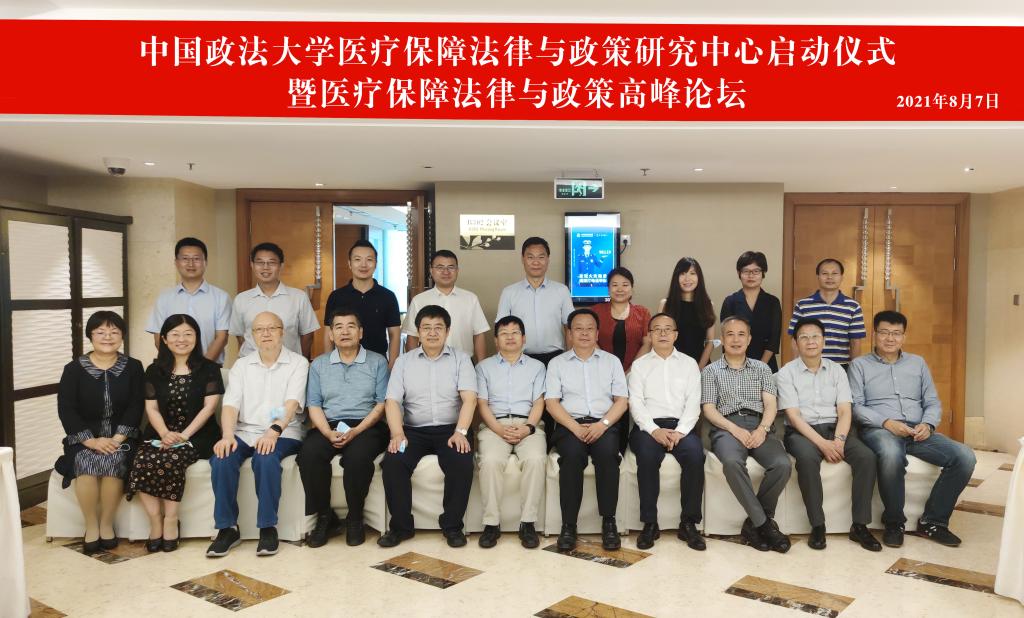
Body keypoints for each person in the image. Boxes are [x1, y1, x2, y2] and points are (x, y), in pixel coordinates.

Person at [851, 310, 977, 548]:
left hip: (917, 430)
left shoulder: (917, 363)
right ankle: (894, 523)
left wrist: (928, 424)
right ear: (874, 334)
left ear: (904, 337)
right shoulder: (859, 365)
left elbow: (932, 401)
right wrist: (887, 422)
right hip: (880, 429)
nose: (890, 338)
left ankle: (933, 522)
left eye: (896, 333)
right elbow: (856, 406)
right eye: (884, 332)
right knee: (891, 454)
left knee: (965, 457)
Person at [207, 311, 308, 558]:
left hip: (285, 432)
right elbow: (230, 405)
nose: (265, 333)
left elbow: (291, 404)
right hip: (245, 431)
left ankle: (267, 527)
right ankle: (227, 529)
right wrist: (227, 435)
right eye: (259, 329)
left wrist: (273, 432)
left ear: (282, 332)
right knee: (221, 458)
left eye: (272, 328)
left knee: (266, 457)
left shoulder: (298, 363)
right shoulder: (242, 366)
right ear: (251, 335)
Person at [776, 317, 881, 552]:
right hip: (802, 432)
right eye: (804, 337)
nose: (810, 341)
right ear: (795, 343)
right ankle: (818, 525)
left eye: (815, 336)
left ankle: (860, 525)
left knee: (866, 457)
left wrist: (839, 441)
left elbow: (845, 411)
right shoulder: (786, 373)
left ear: (823, 341)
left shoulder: (837, 370)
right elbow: (793, 416)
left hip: (836, 429)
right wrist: (824, 445)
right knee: (806, 459)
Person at [378, 305, 477, 548]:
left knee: (461, 461)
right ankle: (400, 527)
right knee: (393, 461)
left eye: (438, 328)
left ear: (448, 331)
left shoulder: (461, 359)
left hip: (451, 430)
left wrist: (461, 432)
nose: (432, 333)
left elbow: (470, 399)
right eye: (426, 328)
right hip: (413, 432)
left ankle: (452, 527)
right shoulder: (403, 362)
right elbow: (392, 401)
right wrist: (397, 433)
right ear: (418, 332)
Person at [128, 314, 224, 553]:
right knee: (143, 459)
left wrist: (183, 436)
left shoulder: (210, 369)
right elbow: (151, 408)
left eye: (188, 334)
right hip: (160, 433)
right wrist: (164, 433)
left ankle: (171, 520)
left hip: (199, 435)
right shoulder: (154, 370)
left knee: (172, 458)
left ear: (197, 338)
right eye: (175, 334)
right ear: (164, 339)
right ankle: (155, 521)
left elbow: (209, 408)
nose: (182, 339)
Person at [297, 306, 389, 548]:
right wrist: (327, 433)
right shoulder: (319, 365)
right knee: (309, 454)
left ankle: (355, 518)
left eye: (351, 326)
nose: (344, 332)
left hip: (367, 425)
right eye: (338, 327)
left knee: (358, 457)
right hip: (329, 425)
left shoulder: (378, 362)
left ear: (361, 332)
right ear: (330, 334)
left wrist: (356, 431)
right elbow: (314, 405)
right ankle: (325, 517)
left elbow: (381, 404)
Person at [55, 310, 144, 554]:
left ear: (122, 336)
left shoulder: (134, 367)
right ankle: (91, 525)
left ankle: (106, 524)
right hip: (84, 438)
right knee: (85, 461)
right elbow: (66, 409)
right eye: (101, 332)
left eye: (114, 332)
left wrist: (116, 439)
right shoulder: (73, 369)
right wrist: (91, 441)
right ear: (90, 335)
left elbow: (136, 405)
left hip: (122, 437)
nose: (107, 337)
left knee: (114, 459)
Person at [701, 315, 791, 553]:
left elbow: (770, 404)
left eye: (741, 334)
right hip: (726, 426)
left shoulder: (762, 369)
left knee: (782, 464)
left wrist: (762, 429)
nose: (736, 339)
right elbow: (709, 409)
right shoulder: (710, 371)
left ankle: (754, 524)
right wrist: (734, 429)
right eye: (730, 334)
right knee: (732, 462)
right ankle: (765, 525)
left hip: (760, 424)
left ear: (749, 339)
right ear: (722, 339)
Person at [545, 308, 628, 551]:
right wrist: (575, 428)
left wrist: (602, 425)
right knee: (572, 457)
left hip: (604, 424)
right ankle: (568, 525)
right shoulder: (557, 364)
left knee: (607, 455)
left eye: (589, 328)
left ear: (597, 333)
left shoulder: (611, 362)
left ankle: (609, 522)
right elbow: (552, 403)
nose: (584, 333)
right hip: (570, 425)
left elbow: (622, 401)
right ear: (569, 334)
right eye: (578, 329)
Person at [628, 313, 706, 551]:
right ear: (650, 335)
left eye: (668, 329)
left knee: (695, 455)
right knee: (647, 456)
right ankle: (650, 523)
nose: (662, 333)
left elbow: (694, 403)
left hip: (682, 427)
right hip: (648, 427)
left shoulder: (689, 364)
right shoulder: (639, 366)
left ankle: (689, 523)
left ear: (675, 335)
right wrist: (654, 430)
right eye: (657, 329)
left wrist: (680, 432)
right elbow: (635, 403)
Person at [475, 315, 547, 549]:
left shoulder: (537, 367)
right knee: (490, 461)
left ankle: (528, 523)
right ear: (496, 340)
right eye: (504, 333)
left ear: (523, 338)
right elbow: (482, 403)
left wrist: (528, 428)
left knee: (536, 459)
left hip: (528, 423)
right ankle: (491, 523)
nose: (510, 337)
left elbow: (539, 402)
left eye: (515, 332)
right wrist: (499, 429)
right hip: (494, 425)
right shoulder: (483, 367)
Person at [146, 237, 232, 364]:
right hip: (172, 368)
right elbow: (159, 337)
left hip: (210, 368)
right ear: (176, 262)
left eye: (196, 259)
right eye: (185, 258)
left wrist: (203, 367)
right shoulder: (164, 298)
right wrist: (178, 365)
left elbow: (222, 338)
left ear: (205, 262)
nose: (191, 264)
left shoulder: (221, 297)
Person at [230, 242, 319, 358]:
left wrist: (298, 361)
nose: (265, 267)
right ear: (252, 265)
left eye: (271, 262)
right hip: (251, 365)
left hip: (289, 363)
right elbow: (240, 336)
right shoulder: (241, 299)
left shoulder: (298, 297)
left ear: (281, 265)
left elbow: (308, 335)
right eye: (260, 262)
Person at [496, 237, 574, 367]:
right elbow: (500, 330)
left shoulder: (562, 291)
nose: (536, 262)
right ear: (523, 259)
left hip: (555, 358)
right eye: (530, 257)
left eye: (541, 257)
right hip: (519, 359)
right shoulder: (509, 292)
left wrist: (570, 360)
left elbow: (570, 328)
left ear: (548, 259)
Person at [324, 240, 402, 368]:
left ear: (376, 264)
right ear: (349, 264)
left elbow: (394, 334)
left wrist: (392, 366)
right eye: (357, 259)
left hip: (378, 363)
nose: (363, 265)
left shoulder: (388, 296)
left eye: (369, 260)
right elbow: (329, 333)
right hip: (342, 362)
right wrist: (329, 364)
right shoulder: (336, 296)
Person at [403, 249, 489, 361]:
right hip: (428, 362)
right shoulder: (419, 300)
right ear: (431, 270)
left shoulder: (470, 299)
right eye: (440, 267)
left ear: (457, 270)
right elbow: (412, 336)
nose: (446, 272)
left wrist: (481, 366)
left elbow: (479, 334)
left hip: (464, 362)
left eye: (451, 267)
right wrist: (413, 364)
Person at [786, 258, 866, 368]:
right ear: (818, 277)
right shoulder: (803, 305)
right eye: (824, 273)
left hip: (841, 367)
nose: (829, 277)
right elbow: (795, 339)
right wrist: (794, 367)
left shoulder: (853, 306)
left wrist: (854, 370)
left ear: (841, 277)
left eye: (834, 273)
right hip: (808, 366)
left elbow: (855, 342)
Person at [720, 251, 783, 372]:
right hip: (735, 365)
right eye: (746, 271)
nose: (751, 275)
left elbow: (774, 340)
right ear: (739, 273)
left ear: (763, 273)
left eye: (756, 271)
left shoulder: (772, 302)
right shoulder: (730, 302)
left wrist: (758, 367)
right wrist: (739, 367)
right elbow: (727, 337)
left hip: (766, 365)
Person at [659, 257, 716, 369]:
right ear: (676, 277)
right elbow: (659, 339)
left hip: (700, 366)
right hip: (671, 366)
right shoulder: (665, 305)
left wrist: (698, 369)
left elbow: (710, 342)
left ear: (699, 277)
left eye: (692, 273)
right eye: (683, 273)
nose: (687, 278)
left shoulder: (708, 305)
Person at [591, 267, 651, 373]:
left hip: (636, 373)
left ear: (632, 289)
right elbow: (590, 341)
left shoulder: (643, 313)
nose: (620, 289)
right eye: (615, 285)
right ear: (608, 289)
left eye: (625, 285)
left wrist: (630, 372)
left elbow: (648, 344)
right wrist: (608, 369)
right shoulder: (596, 311)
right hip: (601, 370)